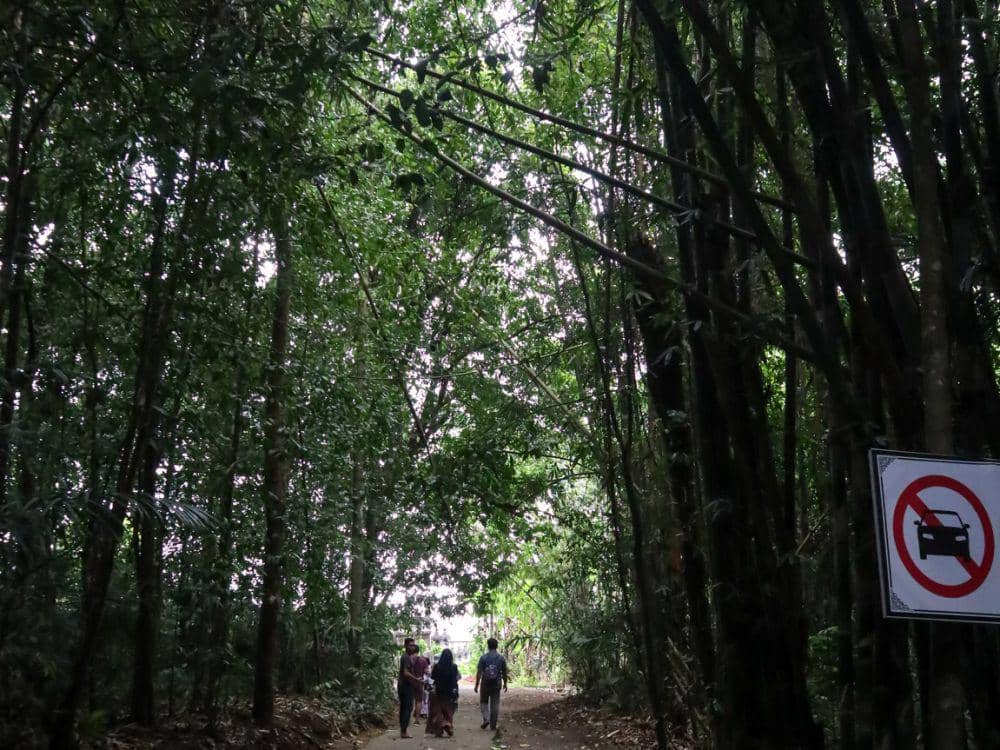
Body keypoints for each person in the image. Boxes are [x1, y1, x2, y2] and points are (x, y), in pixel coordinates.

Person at [474, 638, 508, 730]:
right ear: (496, 646)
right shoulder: (501, 658)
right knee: (495, 704)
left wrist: (477, 684)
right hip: (496, 684)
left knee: (483, 702)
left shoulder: (483, 658)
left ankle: (486, 718)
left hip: (485, 683)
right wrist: (505, 683)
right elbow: (504, 672)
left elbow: (479, 672)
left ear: (488, 646)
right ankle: (493, 725)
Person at [426, 648, 460, 737]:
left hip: (439, 691)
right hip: (451, 692)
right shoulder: (454, 666)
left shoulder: (437, 666)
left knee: (438, 711)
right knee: (449, 710)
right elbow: (456, 679)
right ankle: (448, 724)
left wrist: (428, 687)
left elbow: (432, 678)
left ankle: (439, 729)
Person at [397, 639, 421, 738]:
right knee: (407, 708)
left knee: (404, 708)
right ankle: (404, 731)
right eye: (410, 645)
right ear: (406, 646)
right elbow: (406, 673)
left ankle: (403, 730)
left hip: (403, 685)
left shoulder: (405, 657)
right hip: (405, 686)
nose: (413, 647)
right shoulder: (406, 657)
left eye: (413, 645)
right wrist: (416, 679)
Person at [411, 648, 430, 723]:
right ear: (418, 651)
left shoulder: (409, 659)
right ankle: (417, 720)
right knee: (418, 701)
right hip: (419, 682)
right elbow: (427, 672)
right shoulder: (423, 660)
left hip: (409, 683)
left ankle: (407, 719)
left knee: (410, 701)